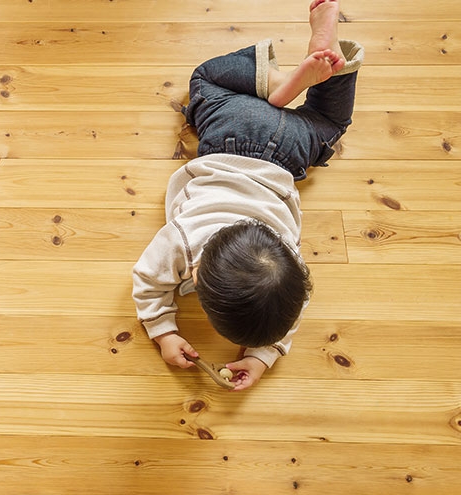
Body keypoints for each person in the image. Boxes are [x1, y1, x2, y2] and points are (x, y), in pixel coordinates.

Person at [132, 0, 364, 391]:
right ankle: (279, 85)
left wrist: (166, 332)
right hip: (230, 131)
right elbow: (148, 281)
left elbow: (295, 302)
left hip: (289, 150)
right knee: (206, 81)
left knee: (332, 121)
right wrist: (259, 355)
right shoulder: (184, 242)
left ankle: (315, 67)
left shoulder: (288, 259)